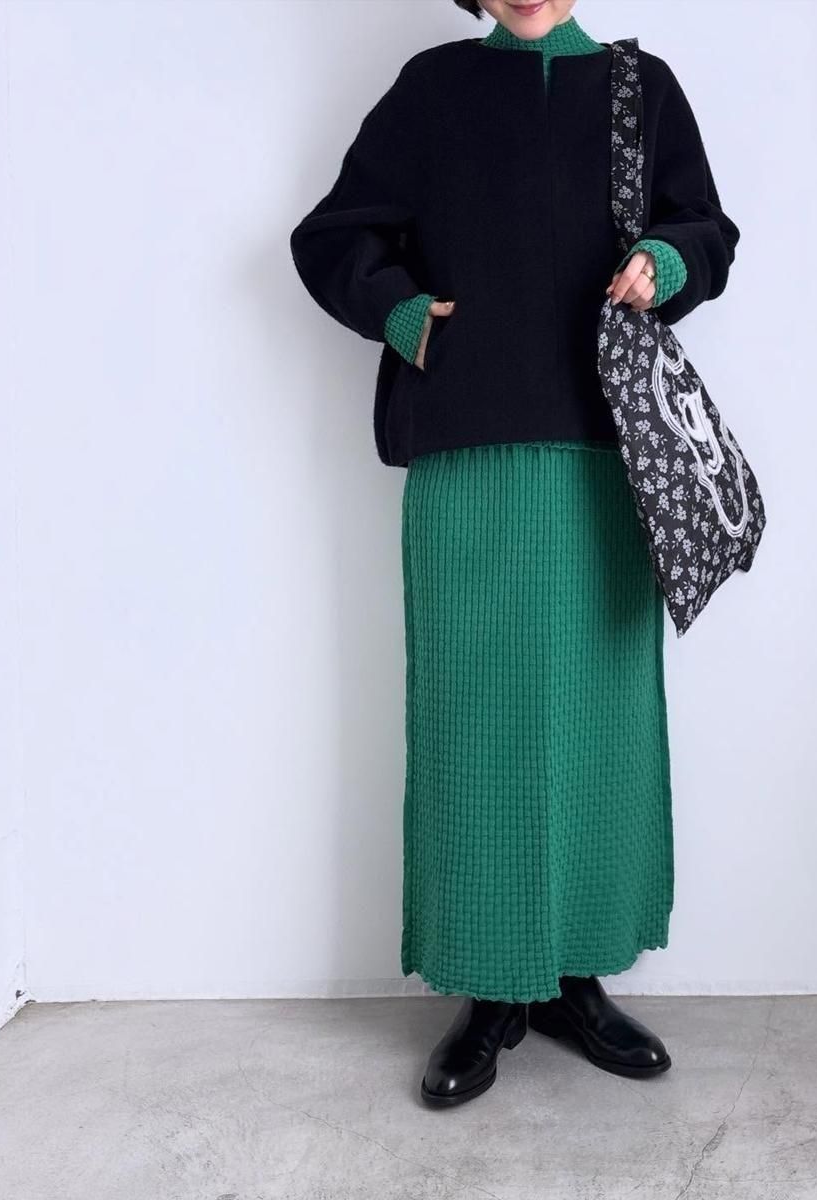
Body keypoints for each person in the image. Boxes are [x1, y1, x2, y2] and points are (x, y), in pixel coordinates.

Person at [289, 0, 739, 1108]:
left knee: (599, 720)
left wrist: (665, 262)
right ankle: (490, 990)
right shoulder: (433, 88)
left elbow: (707, 230)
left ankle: (576, 976)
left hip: (609, 451)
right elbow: (334, 236)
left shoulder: (640, 87)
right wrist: (403, 316)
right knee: (474, 716)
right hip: (468, 452)